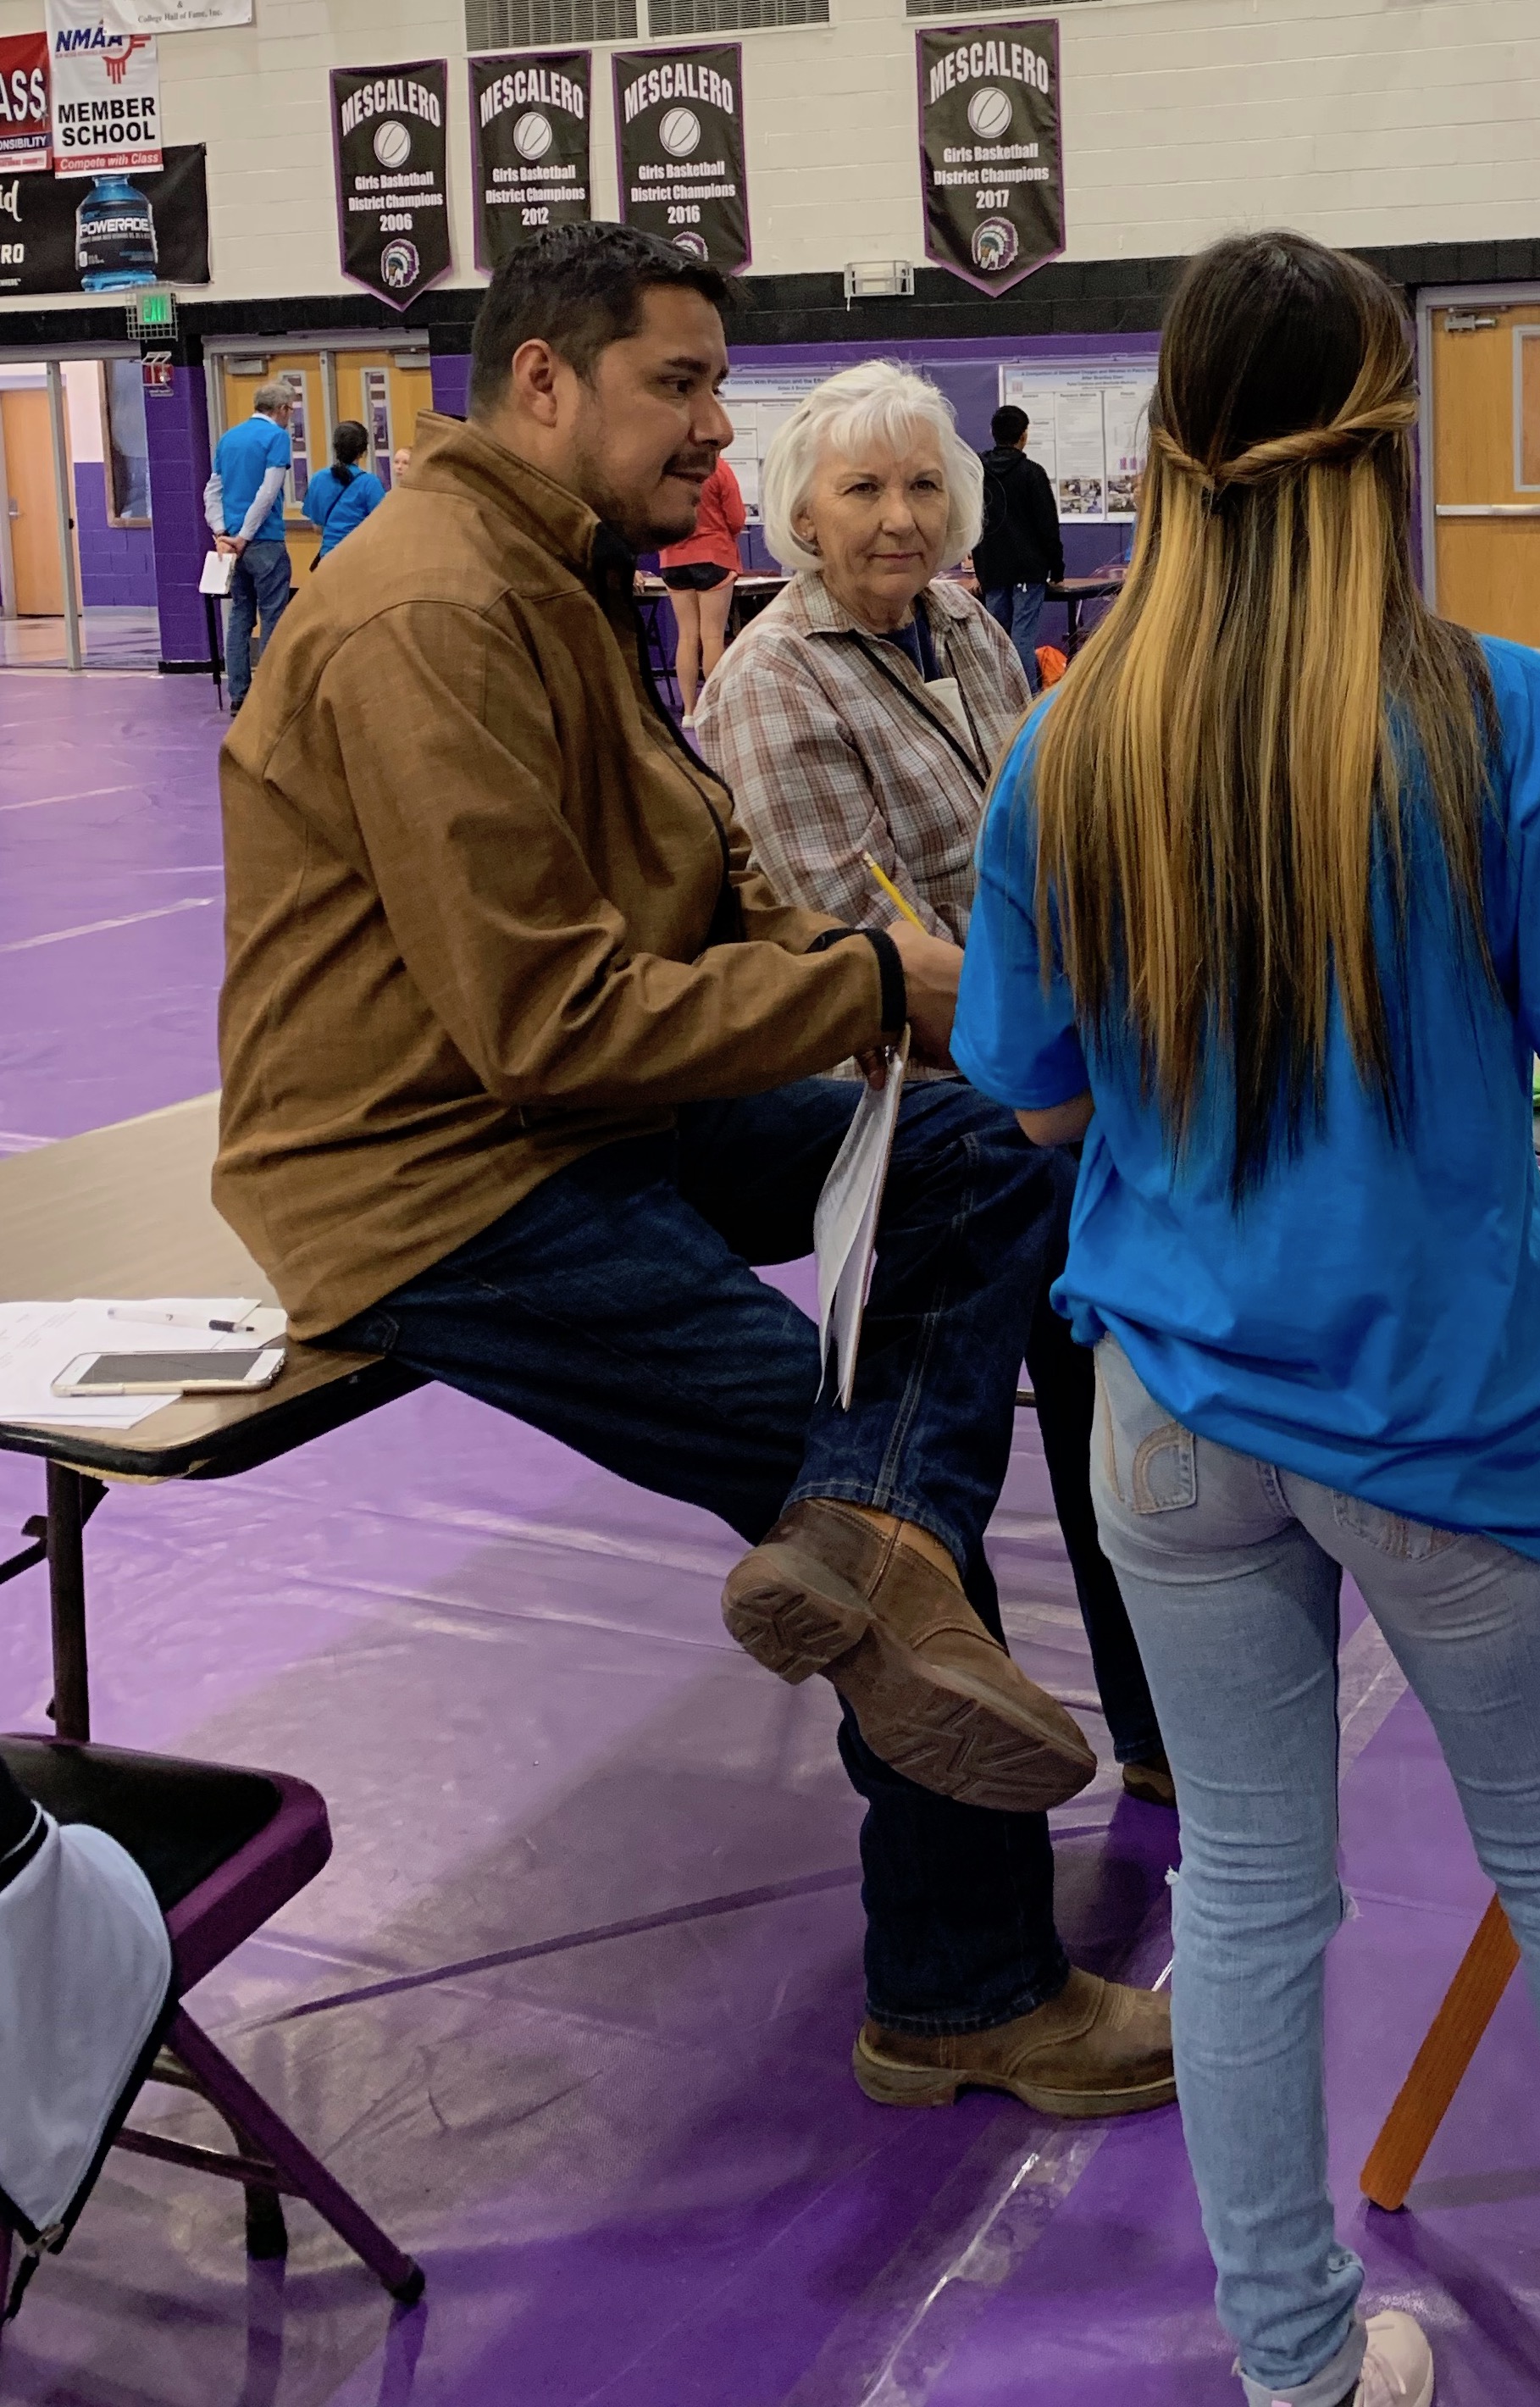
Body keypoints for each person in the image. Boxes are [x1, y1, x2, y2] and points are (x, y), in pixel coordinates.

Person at [956, 230, 1540, 2407]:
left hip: (1167, 1406)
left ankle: (1295, 2361)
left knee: (1243, 1891)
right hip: (1433, 1410)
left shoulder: (1072, 746)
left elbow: (1033, 1088)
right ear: (1382, 440)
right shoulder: (1495, 715)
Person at [213, 221, 1172, 2115]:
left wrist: (900, 1001)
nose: (714, 427)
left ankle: (877, 1522)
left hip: (584, 1112)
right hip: (438, 1178)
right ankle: (961, 1986)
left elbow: (690, 865)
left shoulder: (566, 573)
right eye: (683, 382)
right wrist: (852, 980)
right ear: (547, 380)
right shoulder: (432, 608)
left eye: (719, 387)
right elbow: (544, 1021)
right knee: (899, 1532)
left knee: (983, 1158)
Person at [694, 360, 1175, 1805]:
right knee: (1081, 1371)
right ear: (802, 513)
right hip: (922, 1101)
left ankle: (1148, 1723)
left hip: (1038, 1063)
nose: (898, 519)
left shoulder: (965, 626)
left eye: (920, 486)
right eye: (862, 489)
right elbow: (870, 955)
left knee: (1115, 1400)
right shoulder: (769, 678)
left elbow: (1043, 845)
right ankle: (903, 1585)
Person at [202, 379, 296, 711]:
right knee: (273, 615)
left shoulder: (228, 438)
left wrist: (221, 534)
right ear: (283, 409)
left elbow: (212, 490)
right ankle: (268, 697)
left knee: (240, 616)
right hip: (264, 541)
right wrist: (245, 535)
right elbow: (268, 493)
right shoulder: (277, 438)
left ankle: (239, 695)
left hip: (230, 546)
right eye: (291, 410)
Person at [972, 403, 1063, 695]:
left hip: (992, 571)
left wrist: (979, 568)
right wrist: (1057, 568)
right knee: (1022, 638)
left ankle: (1000, 699)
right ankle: (1028, 703)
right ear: (1024, 436)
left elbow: (971, 521)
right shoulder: (1032, 473)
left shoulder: (977, 472)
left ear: (992, 433)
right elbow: (1047, 525)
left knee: (997, 638)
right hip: (1029, 570)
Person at [658, 449, 745, 714]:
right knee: (712, 636)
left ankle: (688, 712)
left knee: (687, 636)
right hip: (713, 556)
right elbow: (736, 519)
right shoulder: (719, 469)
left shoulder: (668, 473)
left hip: (673, 559)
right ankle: (715, 710)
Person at [303, 419, 385, 564]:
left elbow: (317, 528)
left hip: (327, 559)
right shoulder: (370, 483)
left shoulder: (318, 479)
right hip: (359, 559)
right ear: (362, 452)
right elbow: (381, 527)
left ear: (335, 448)